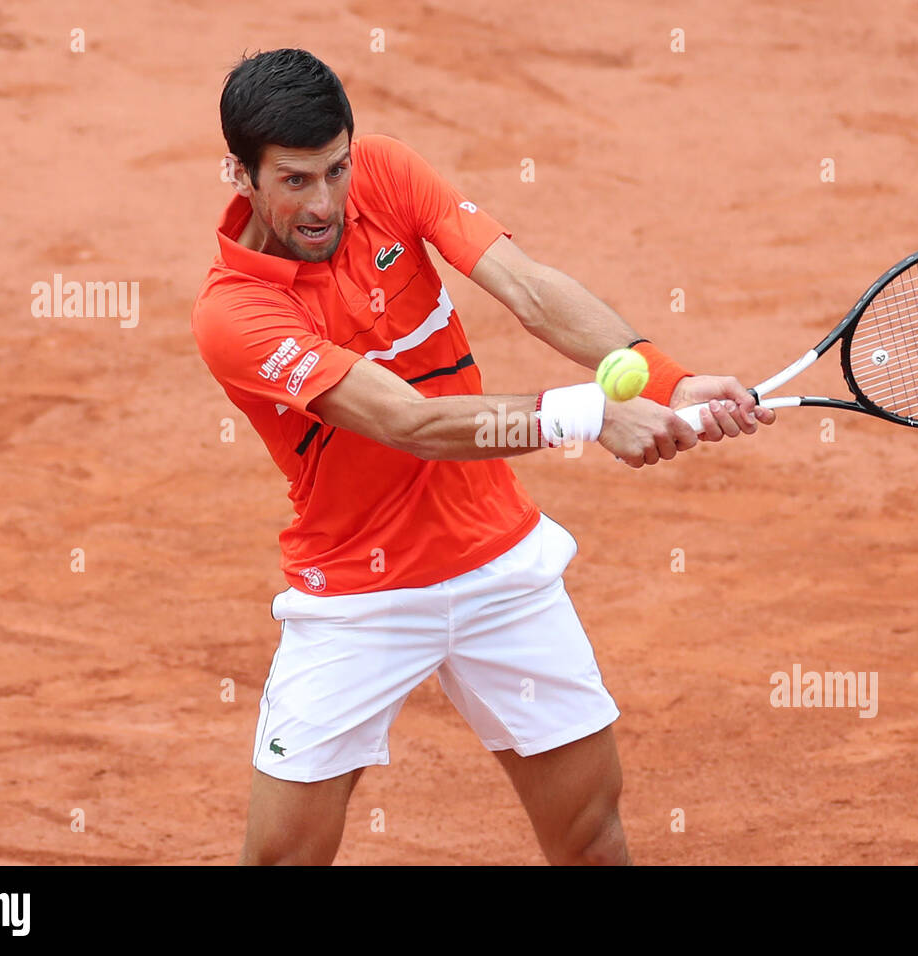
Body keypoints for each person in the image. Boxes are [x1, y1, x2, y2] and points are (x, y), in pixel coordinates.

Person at [191, 48, 776, 865]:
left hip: (500, 565)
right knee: (282, 860)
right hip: (359, 597)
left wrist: (671, 381)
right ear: (239, 174)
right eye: (295, 181)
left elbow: (528, 288)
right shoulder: (236, 315)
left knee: (591, 834)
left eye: (336, 170)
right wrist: (587, 414)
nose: (324, 202)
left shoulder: (390, 174)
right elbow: (409, 423)